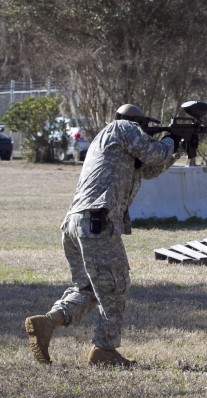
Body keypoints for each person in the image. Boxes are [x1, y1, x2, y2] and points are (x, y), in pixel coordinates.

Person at [24, 104, 183, 367]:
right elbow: (155, 153)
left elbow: (150, 169)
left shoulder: (111, 139)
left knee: (88, 288)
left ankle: (47, 323)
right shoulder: (124, 128)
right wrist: (170, 140)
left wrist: (177, 148)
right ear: (137, 123)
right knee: (115, 286)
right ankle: (104, 350)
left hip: (77, 223)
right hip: (97, 222)